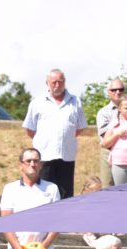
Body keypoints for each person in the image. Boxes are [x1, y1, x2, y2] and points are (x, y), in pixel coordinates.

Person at [22, 68, 88, 198]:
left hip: (66, 156)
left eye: (60, 82)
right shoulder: (37, 102)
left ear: (65, 82)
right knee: (43, 194)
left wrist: (65, 136)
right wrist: (45, 139)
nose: (57, 85)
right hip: (44, 156)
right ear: (47, 83)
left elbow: (80, 127)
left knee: (65, 195)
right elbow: (30, 129)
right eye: (54, 82)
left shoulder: (75, 101)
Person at [0, 147, 61, 249]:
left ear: (41, 165)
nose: (32, 164)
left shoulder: (52, 188)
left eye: (36, 161)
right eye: (28, 161)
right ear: (20, 165)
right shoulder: (10, 189)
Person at [95, 79, 126, 187]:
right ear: (108, 92)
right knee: (108, 188)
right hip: (109, 153)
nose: (118, 92)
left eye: (121, 89)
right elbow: (106, 139)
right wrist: (119, 132)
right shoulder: (103, 113)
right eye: (114, 90)